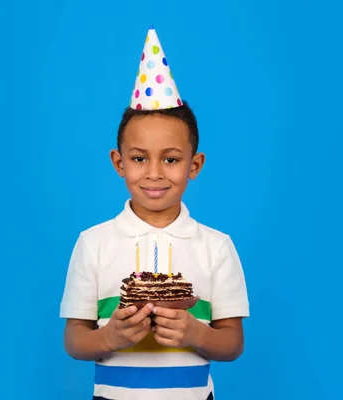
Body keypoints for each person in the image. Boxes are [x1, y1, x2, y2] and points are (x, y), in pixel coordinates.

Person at [59, 27, 249, 400]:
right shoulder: (93, 243)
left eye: (172, 159)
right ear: (119, 162)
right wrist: (109, 337)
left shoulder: (216, 247)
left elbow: (232, 344)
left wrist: (195, 333)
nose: (155, 172)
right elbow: (75, 340)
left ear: (194, 166)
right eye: (139, 158)